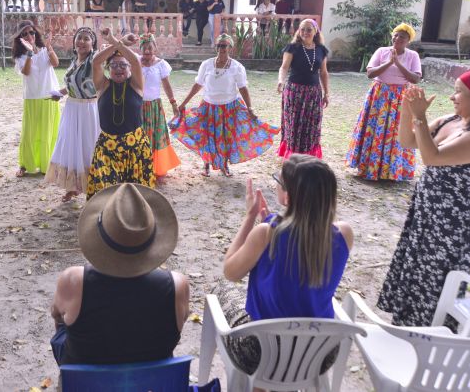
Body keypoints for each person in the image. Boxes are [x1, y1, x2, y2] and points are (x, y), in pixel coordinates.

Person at [377, 69, 470, 326]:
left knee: (433, 284)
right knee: (415, 273)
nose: (453, 96)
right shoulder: (451, 121)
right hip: (426, 212)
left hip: (450, 224)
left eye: (460, 91)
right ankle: (405, 328)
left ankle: (428, 339)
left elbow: (432, 158)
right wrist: (408, 109)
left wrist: (419, 116)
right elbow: (407, 141)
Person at [217, 156, 353, 375]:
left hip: (262, 352)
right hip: (319, 352)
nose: (275, 185)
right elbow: (303, 243)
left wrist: (250, 217)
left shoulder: (267, 233)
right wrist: (269, 221)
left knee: (222, 289)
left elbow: (230, 272)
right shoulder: (344, 234)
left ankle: (263, 385)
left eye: (278, 181)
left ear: (288, 196)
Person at [50, 183, 189, 366]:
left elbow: (57, 315)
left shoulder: (73, 281)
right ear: (152, 238)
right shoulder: (178, 285)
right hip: (152, 383)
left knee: (65, 325)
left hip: (86, 383)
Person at [172, 34, 279, 177]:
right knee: (207, 136)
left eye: (224, 45)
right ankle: (206, 165)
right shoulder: (207, 64)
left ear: (230, 48)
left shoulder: (236, 67)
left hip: (229, 108)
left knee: (227, 137)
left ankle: (224, 165)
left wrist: (250, 108)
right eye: (219, 45)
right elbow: (198, 85)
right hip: (208, 107)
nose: (221, 48)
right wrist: (183, 103)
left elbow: (243, 88)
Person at [346, 23, 422, 181]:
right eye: (395, 35)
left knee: (396, 132)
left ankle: (392, 170)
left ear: (408, 40)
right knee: (376, 129)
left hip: (401, 97)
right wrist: (389, 62)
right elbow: (370, 73)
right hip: (380, 94)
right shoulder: (381, 51)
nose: (398, 38)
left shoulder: (412, 55)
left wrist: (398, 64)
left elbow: (415, 78)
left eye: (402, 36)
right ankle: (370, 167)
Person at [86, 30, 154, 199]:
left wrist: (115, 41)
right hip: (107, 149)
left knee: (135, 195)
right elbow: (96, 62)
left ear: (129, 69)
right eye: (113, 65)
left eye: (123, 65)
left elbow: (135, 61)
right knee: (107, 193)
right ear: (108, 69)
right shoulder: (102, 85)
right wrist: (120, 41)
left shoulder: (136, 84)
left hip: (135, 148)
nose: (118, 68)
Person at [45, 27, 101, 202]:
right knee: (71, 147)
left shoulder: (96, 61)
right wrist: (59, 93)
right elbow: (72, 86)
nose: (82, 42)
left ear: (93, 44)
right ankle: (73, 186)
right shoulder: (74, 61)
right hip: (71, 109)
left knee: (88, 148)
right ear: (74, 42)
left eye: (86, 39)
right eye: (79, 38)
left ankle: (94, 187)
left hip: (89, 110)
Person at [12, 21, 60, 177]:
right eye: (24, 34)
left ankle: (48, 165)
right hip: (32, 97)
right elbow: (26, 72)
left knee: (48, 132)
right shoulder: (20, 56)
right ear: (20, 38)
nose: (29, 36)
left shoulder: (45, 49)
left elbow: (55, 63)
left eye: (31, 32)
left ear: (35, 34)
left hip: (48, 96)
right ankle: (26, 164)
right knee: (29, 133)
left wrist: (49, 49)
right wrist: (30, 53)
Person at [276, 19, 330, 158]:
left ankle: (309, 153)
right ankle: (293, 154)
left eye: (308, 29)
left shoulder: (321, 50)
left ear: (315, 31)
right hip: (295, 92)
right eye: (302, 29)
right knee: (294, 124)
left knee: (312, 124)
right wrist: (281, 81)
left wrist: (327, 93)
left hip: (314, 93)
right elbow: (284, 67)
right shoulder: (292, 48)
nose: (305, 32)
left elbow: (323, 72)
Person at [139, 35, 181, 177]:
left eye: (150, 47)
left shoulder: (161, 64)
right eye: (144, 48)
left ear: (155, 48)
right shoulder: (135, 62)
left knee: (156, 137)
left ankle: (155, 168)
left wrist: (173, 103)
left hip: (155, 107)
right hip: (138, 106)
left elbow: (166, 85)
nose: (147, 51)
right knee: (140, 136)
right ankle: (141, 167)